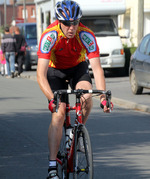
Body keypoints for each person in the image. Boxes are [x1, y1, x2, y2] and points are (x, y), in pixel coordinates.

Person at [37, 1, 113, 178]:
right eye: (67, 23)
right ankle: (52, 166)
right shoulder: (50, 36)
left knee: (87, 96)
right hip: (55, 71)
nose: (72, 27)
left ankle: (78, 132)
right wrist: (51, 99)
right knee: (59, 113)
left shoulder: (86, 34)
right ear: (58, 21)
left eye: (75, 23)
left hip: (78, 68)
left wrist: (103, 97)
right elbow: (40, 75)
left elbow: (97, 68)